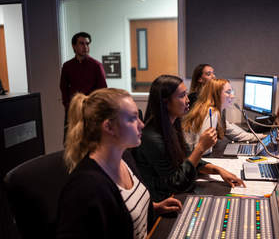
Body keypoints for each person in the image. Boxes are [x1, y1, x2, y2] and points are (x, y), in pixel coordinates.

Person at [56, 88, 182, 239]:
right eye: (132, 119)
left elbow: (121, 212)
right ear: (109, 127)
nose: (141, 124)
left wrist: (154, 208)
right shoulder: (85, 187)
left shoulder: (125, 158)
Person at [132, 75, 245, 203]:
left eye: (186, 94)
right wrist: (201, 147)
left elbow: (187, 158)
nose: (187, 100)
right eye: (182, 96)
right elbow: (177, 183)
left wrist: (218, 170)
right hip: (165, 201)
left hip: (175, 195)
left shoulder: (172, 126)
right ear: (165, 102)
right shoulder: (152, 138)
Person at [182, 78, 267, 155]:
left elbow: (237, 134)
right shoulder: (210, 112)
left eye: (232, 92)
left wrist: (264, 137)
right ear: (216, 94)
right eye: (228, 92)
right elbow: (202, 150)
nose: (232, 96)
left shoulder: (215, 112)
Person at [59, 32, 107, 141]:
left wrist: (94, 108)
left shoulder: (96, 65)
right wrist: (67, 105)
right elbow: (63, 87)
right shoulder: (67, 66)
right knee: (69, 141)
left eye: (87, 44)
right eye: (81, 43)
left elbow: (102, 90)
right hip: (73, 110)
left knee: (90, 142)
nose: (85, 47)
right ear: (74, 46)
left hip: (90, 110)